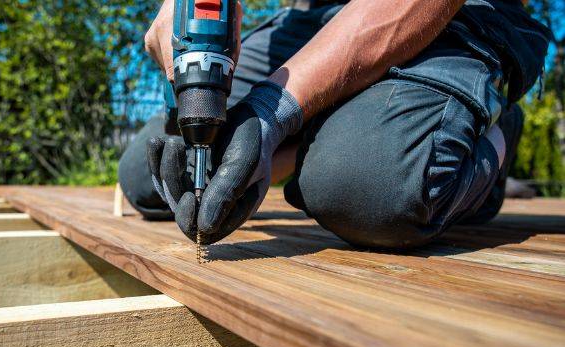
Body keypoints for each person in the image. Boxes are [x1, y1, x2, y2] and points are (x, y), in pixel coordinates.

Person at [118, 0, 551, 249]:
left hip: (449, 13)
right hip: (313, 14)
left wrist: (272, 109)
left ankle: (491, 129)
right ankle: (332, 114)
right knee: (149, 175)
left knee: (370, 187)